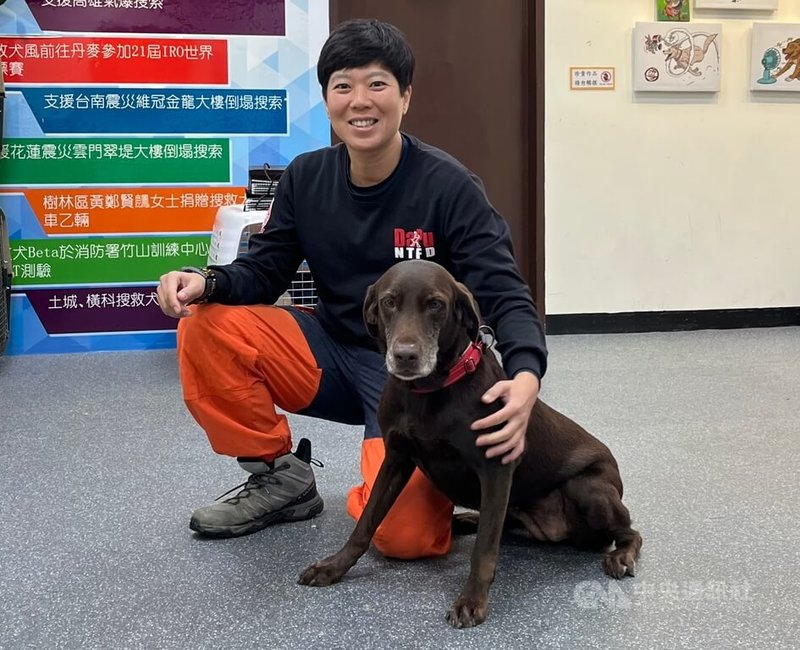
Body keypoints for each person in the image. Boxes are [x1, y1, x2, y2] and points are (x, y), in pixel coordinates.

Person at [156, 18, 547, 560]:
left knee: (405, 539)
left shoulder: (449, 185)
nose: (360, 101)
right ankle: (278, 477)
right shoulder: (305, 177)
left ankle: (407, 488)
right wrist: (208, 281)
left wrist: (527, 375)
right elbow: (265, 273)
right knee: (206, 324)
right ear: (327, 99)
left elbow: (503, 292)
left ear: (406, 97)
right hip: (332, 353)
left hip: (422, 380)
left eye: (378, 84)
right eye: (343, 86)